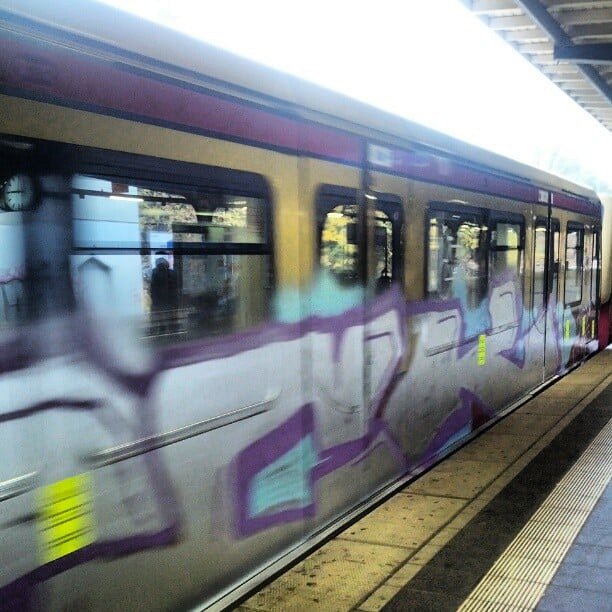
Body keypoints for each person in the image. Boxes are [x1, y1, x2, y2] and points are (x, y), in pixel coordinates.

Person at [150, 255, 178, 334]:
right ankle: (172, 332)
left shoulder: (155, 273)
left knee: (160, 320)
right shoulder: (172, 273)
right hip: (170, 301)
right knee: (171, 320)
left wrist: (154, 301)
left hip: (159, 302)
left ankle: (162, 331)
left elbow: (153, 289)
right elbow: (175, 288)